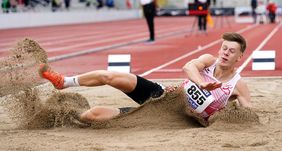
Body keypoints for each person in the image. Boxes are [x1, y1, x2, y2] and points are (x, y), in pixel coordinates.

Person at [39, 32, 251, 126]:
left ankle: (67, 115)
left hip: (170, 119)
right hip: (163, 96)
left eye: (231, 51)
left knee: (92, 116)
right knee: (110, 76)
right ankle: (63, 82)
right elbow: (189, 66)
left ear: (239, 57)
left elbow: (249, 114)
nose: (225, 53)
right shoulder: (208, 60)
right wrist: (202, 83)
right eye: (224, 48)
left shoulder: (237, 84)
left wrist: (225, 116)